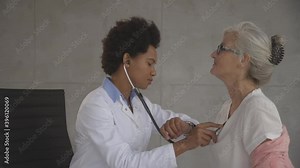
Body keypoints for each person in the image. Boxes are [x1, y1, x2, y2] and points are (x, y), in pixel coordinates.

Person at [69, 17, 220, 168]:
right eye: (149, 63)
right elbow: (125, 163)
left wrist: (186, 127)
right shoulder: (96, 104)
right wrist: (185, 144)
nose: (153, 72)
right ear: (127, 60)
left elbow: (176, 119)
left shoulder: (139, 103)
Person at [203, 21, 293, 167]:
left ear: (243, 59)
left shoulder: (258, 108)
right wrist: (189, 130)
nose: (213, 54)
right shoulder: (228, 107)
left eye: (221, 48)